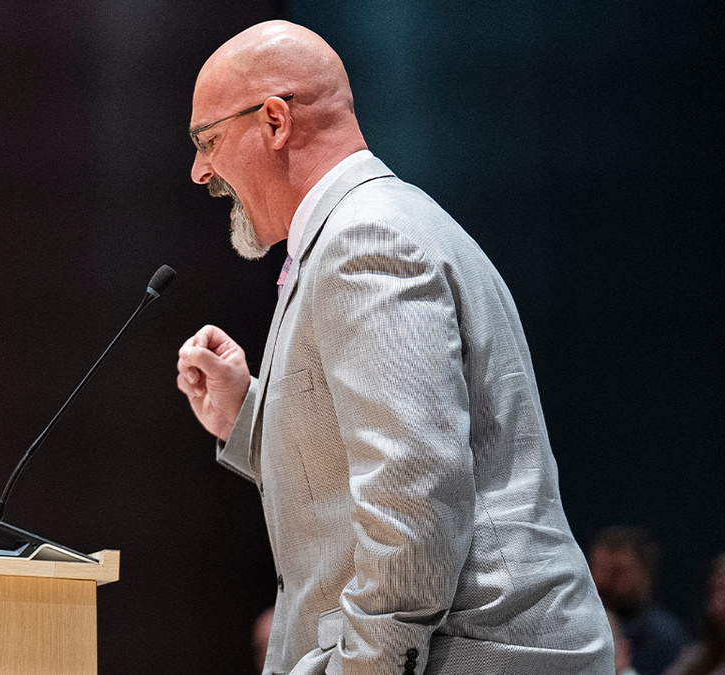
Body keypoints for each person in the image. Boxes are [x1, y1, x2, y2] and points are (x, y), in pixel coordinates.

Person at [175, 20, 612, 675]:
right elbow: (369, 465)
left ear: (273, 122)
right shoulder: (370, 227)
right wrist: (247, 417)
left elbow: (413, 493)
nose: (200, 169)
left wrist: (366, 667)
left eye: (207, 139)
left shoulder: (366, 240)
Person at [590, 526, 690, 675]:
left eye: (617, 572)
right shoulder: (576, 621)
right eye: (597, 569)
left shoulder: (665, 638)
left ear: (645, 575)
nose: (602, 581)